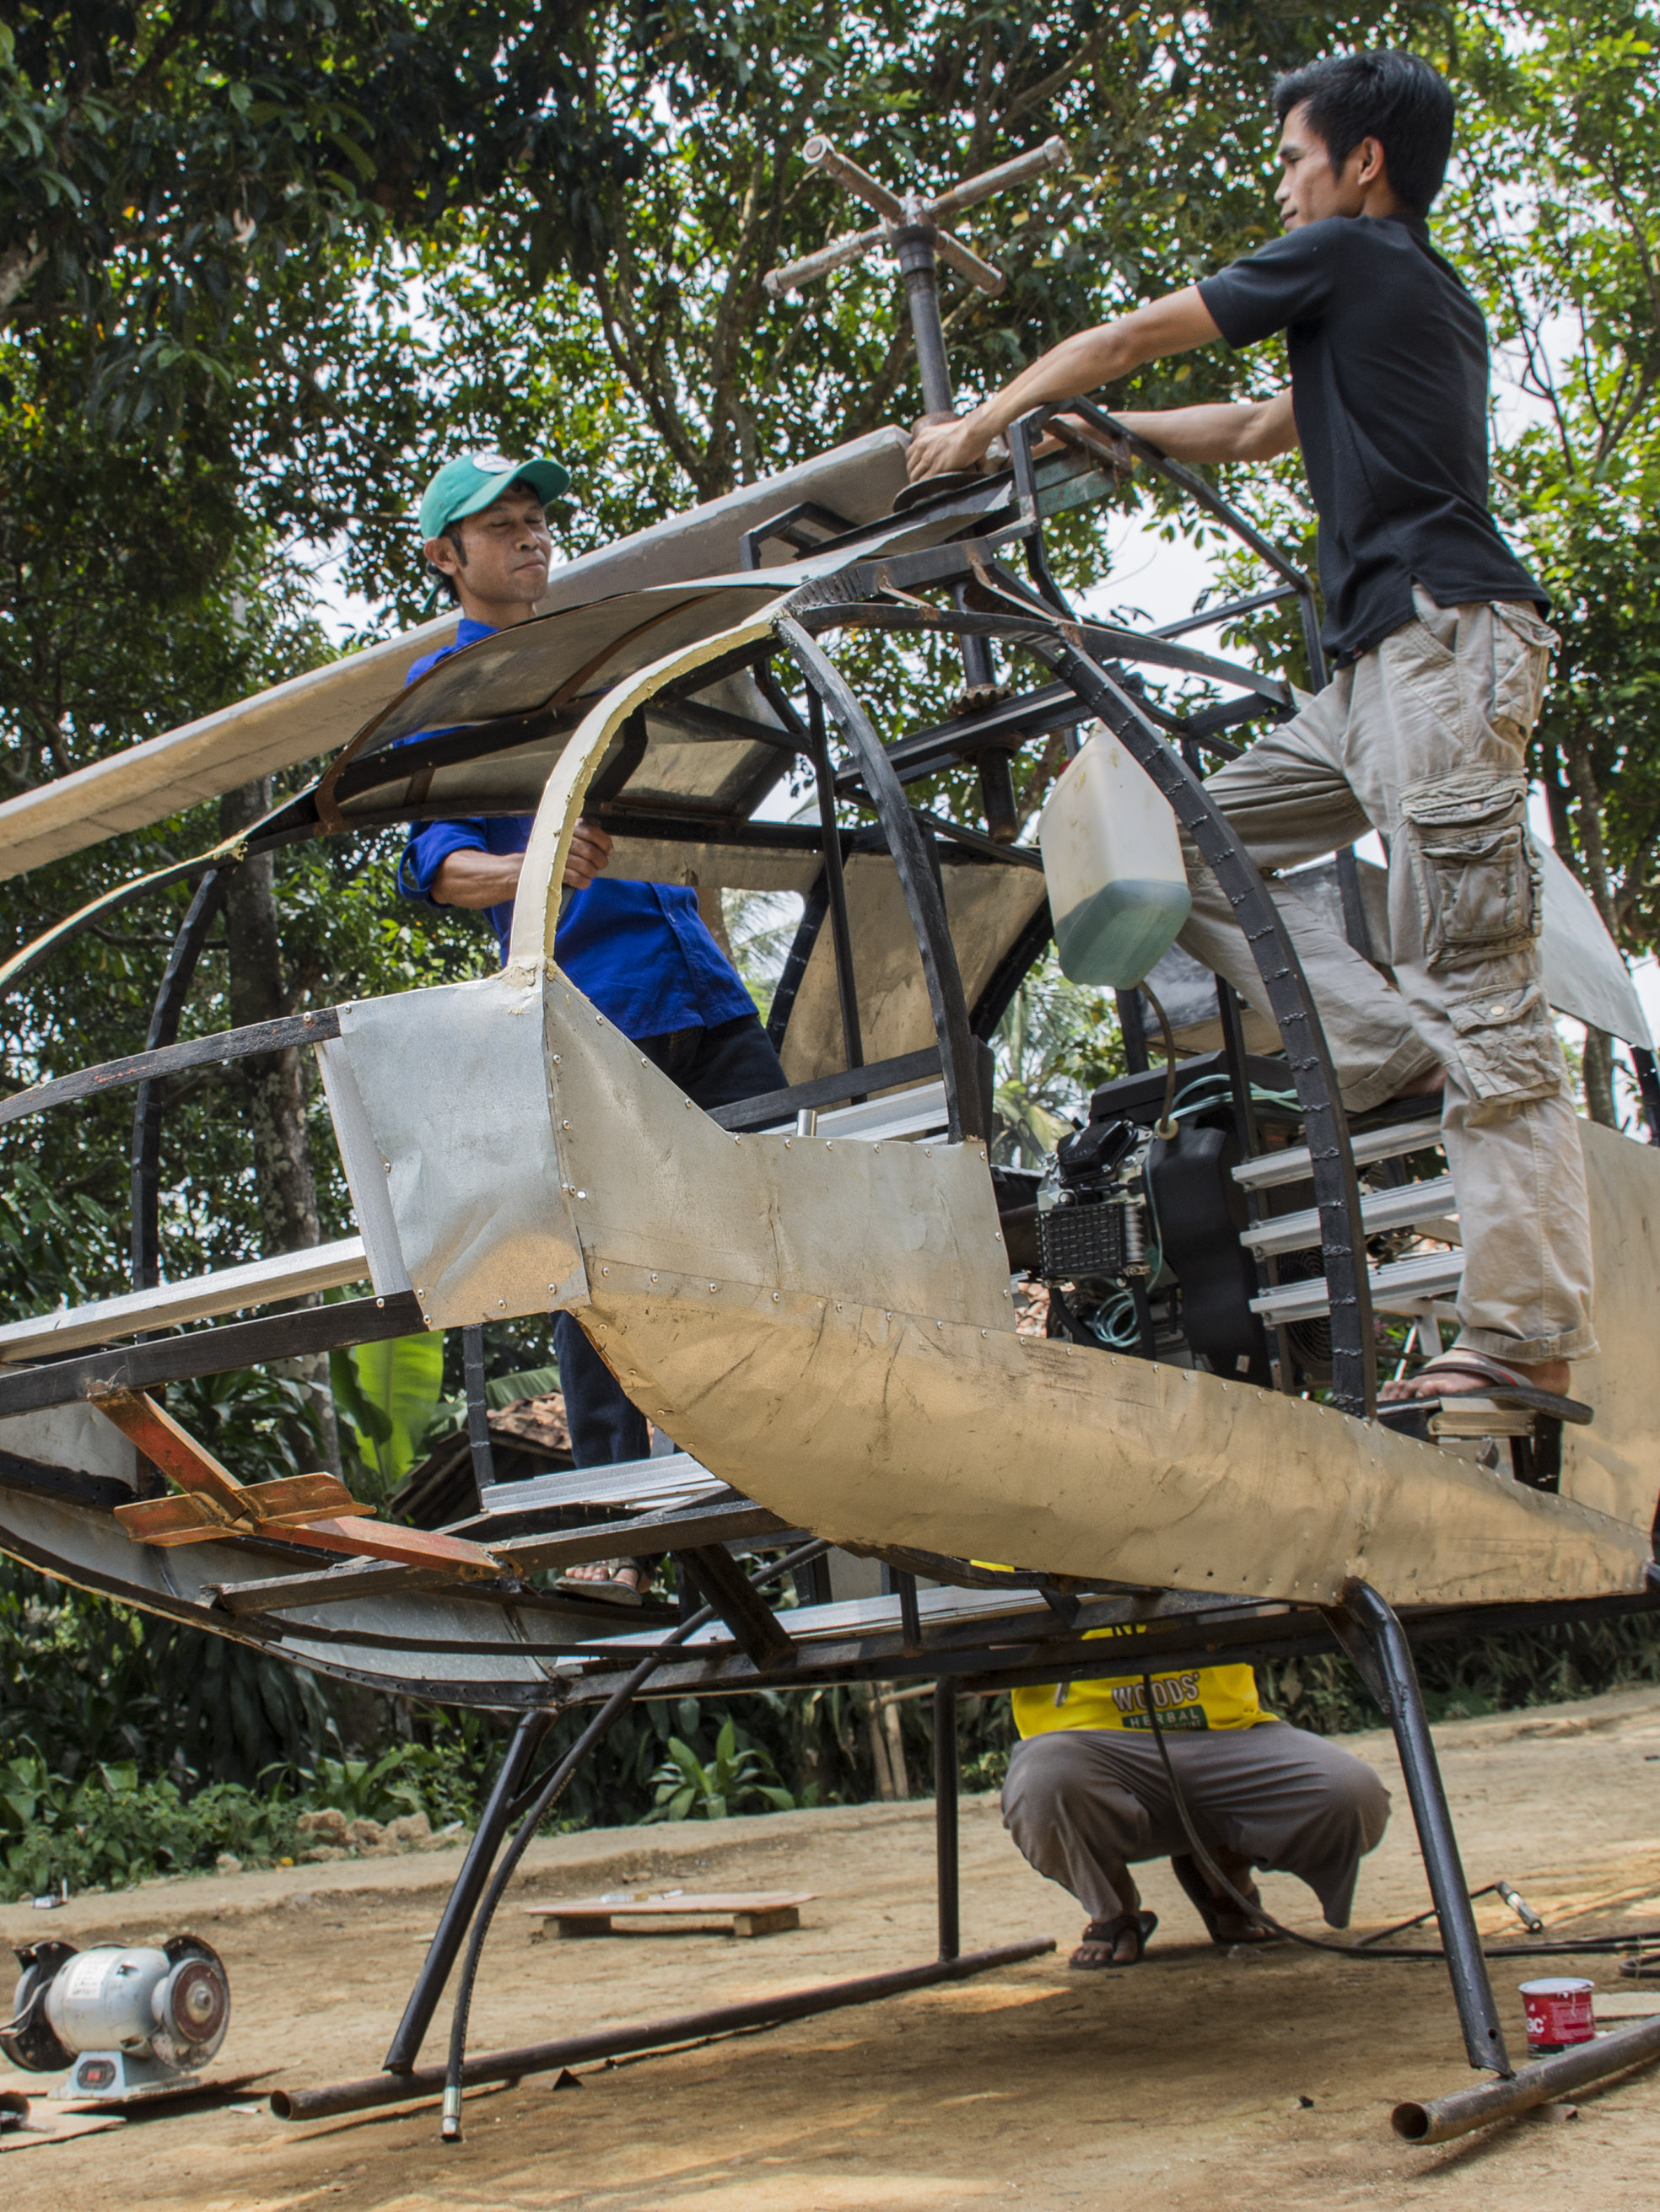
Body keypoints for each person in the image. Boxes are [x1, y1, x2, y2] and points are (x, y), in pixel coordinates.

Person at [907, 51, 1594, 1423]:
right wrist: (1095, 437)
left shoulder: (1353, 252)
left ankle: (1525, 1330)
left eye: (1292, 158)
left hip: (1441, 653)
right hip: (1367, 682)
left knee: (1484, 989)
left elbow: (1129, 337)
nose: (1282, 187)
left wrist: (990, 422)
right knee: (1174, 850)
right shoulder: (1397, 301)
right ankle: (1377, 1045)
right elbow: (1255, 426)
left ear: (1361, 166)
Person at [395, 449, 793, 1492]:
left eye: (536, 518)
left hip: (701, 981)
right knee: (606, 1257)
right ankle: (615, 1511)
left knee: (780, 1199)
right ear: (445, 557)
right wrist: (527, 866)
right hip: (598, 1003)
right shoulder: (449, 689)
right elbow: (433, 865)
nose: (531, 536)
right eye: (500, 526)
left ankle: (787, 1458)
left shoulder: (596, 664)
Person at [1000, 1656, 1390, 1967]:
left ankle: (1224, 1875)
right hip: (1085, 1747)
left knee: (1348, 1794)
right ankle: (1115, 1909)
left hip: (1230, 1733)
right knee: (1042, 1785)